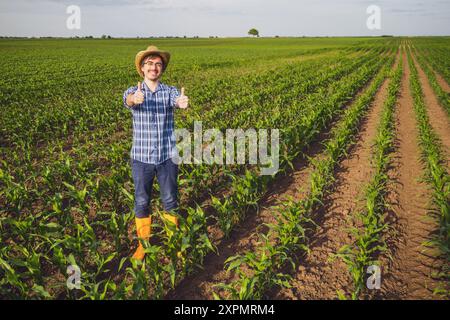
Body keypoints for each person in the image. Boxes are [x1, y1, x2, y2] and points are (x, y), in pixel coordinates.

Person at [122, 45, 189, 261]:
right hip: (141, 159)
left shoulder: (169, 91)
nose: (154, 67)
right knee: (142, 201)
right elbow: (128, 100)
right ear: (142, 68)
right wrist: (135, 99)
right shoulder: (134, 91)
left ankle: (174, 242)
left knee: (170, 199)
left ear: (162, 69)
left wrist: (181, 102)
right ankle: (143, 245)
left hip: (167, 157)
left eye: (158, 64)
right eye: (149, 63)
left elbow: (176, 100)